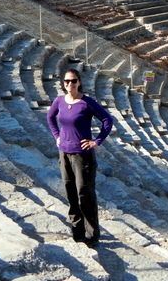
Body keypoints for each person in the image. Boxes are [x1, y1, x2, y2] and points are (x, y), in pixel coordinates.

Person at [47, 68, 113, 247]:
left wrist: (97, 141)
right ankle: (77, 230)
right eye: (67, 81)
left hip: (82, 156)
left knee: (85, 193)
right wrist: (57, 136)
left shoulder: (86, 103)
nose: (70, 84)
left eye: (73, 81)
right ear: (63, 83)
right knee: (70, 191)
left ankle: (92, 234)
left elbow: (107, 120)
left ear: (79, 82)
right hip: (64, 152)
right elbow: (50, 117)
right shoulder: (59, 101)